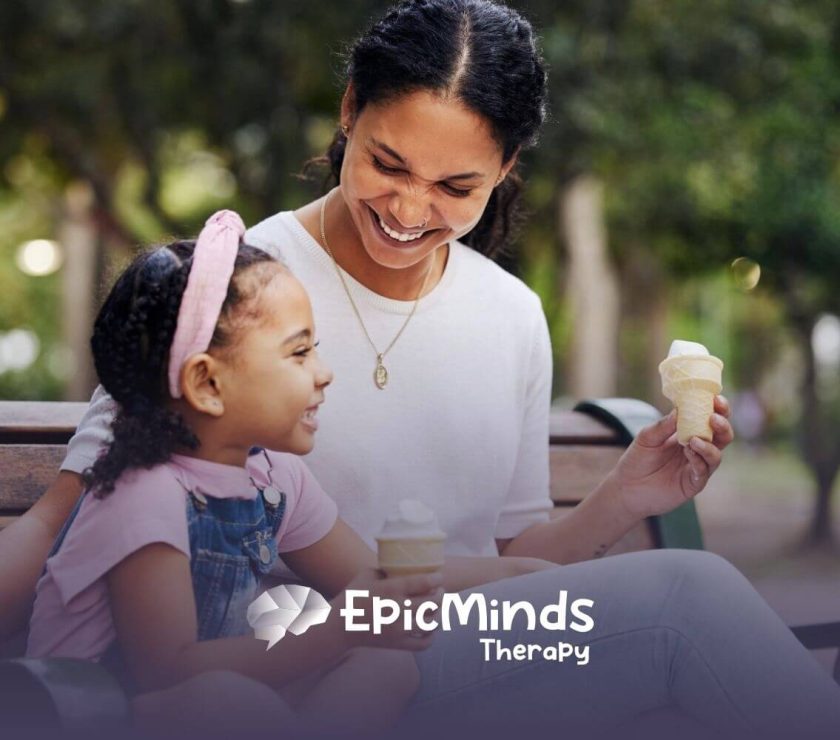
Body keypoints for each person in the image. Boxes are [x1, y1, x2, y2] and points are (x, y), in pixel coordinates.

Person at [1, 0, 839, 735]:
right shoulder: (232, 293)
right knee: (684, 605)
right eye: (388, 164)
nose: (407, 210)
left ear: (507, 168)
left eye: (454, 186)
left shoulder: (510, 315)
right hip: (286, 669)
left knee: (683, 610)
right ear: (348, 113)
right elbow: (67, 516)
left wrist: (627, 496)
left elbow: (518, 557)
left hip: (450, 650)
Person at [22, 211, 549, 736]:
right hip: (87, 711)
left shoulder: (273, 477)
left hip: (212, 701)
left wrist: (516, 574)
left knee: (383, 665)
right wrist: (338, 631)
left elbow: (366, 572)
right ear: (207, 383)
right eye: (299, 353)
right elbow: (164, 670)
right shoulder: (145, 495)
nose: (323, 373)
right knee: (231, 697)